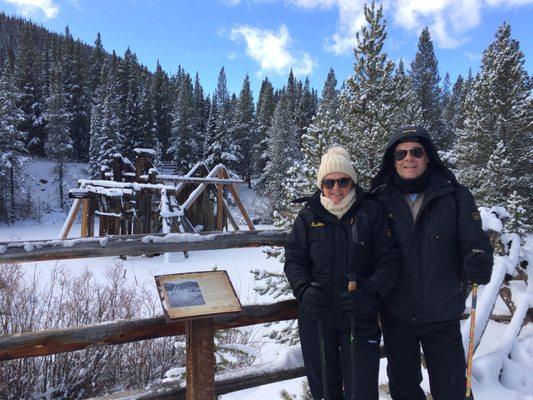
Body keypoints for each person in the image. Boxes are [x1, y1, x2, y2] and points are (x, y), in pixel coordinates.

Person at [369, 126, 493, 400]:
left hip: (442, 312)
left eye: (416, 152)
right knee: (403, 389)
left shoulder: (455, 195)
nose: (408, 159)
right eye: (400, 154)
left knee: (451, 390)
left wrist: (479, 257)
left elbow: (474, 240)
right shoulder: (379, 199)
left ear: (428, 157)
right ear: (393, 160)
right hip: (396, 312)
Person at [284, 146, 399, 400]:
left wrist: (370, 293)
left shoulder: (372, 213)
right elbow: (293, 260)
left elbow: (389, 262)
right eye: (329, 182)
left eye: (343, 181)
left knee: (362, 393)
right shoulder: (307, 217)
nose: (336, 189)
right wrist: (303, 289)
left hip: (359, 318)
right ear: (321, 185)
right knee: (325, 393)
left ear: (352, 181)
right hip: (317, 319)